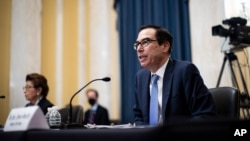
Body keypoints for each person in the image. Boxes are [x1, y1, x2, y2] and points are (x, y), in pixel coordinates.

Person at [133, 25, 217, 126]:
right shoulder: (141, 77)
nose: (139, 49)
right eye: (137, 44)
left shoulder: (185, 71)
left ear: (165, 46)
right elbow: (139, 117)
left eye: (145, 42)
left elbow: (205, 115)